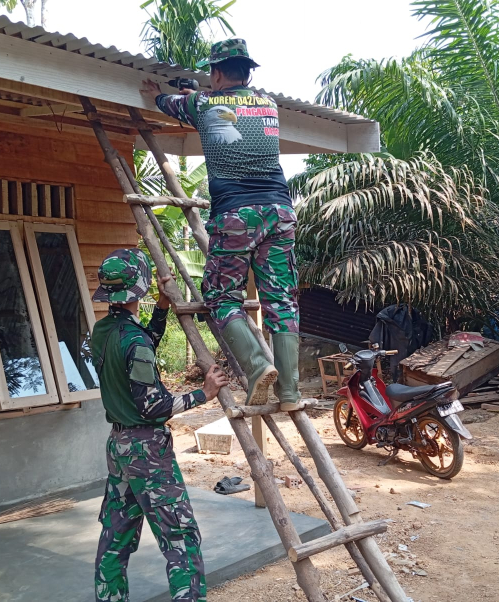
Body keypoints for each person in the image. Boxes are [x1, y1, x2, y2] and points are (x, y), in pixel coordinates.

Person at [140, 38, 301, 411]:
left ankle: (258, 366)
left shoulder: (202, 103)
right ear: (248, 71)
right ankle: (290, 392)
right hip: (279, 212)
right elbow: (230, 104)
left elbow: (167, 103)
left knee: (220, 296)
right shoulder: (268, 104)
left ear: (215, 73)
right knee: (281, 300)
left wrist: (155, 93)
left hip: (235, 215)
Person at [91, 249, 228, 602]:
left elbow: (138, 347)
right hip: (147, 452)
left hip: (119, 448)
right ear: (137, 287)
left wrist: (162, 309)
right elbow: (154, 407)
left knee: (115, 538)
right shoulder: (133, 340)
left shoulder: (103, 330)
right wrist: (204, 394)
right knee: (181, 538)